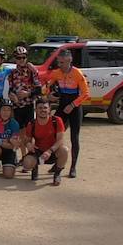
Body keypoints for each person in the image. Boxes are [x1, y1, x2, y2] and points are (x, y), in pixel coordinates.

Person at [43, 46, 88, 178]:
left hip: (75, 108)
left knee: (74, 137)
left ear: (69, 60)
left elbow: (85, 93)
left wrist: (73, 105)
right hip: (62, 106)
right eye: (58, 62)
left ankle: (73, 167)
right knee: (54, 134)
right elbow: (46, 86)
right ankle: (57, 163)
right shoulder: (56, 73)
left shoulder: (77, 73)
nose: (59, 64)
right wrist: (48, 95)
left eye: (62, 62)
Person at [20, 100, 68, 185]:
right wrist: (28, 144)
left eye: (45, 108)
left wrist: (49, 151)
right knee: (27, 164)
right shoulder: (32, 123)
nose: (43, 110)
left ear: (49, 109)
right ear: (35, 110)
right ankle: (35, 167)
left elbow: (60, 140)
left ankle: (57, 174)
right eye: (40, 108)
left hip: (53, 151)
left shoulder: (57, 120)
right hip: (38, 152)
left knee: (64, 150)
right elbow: (26, 140)